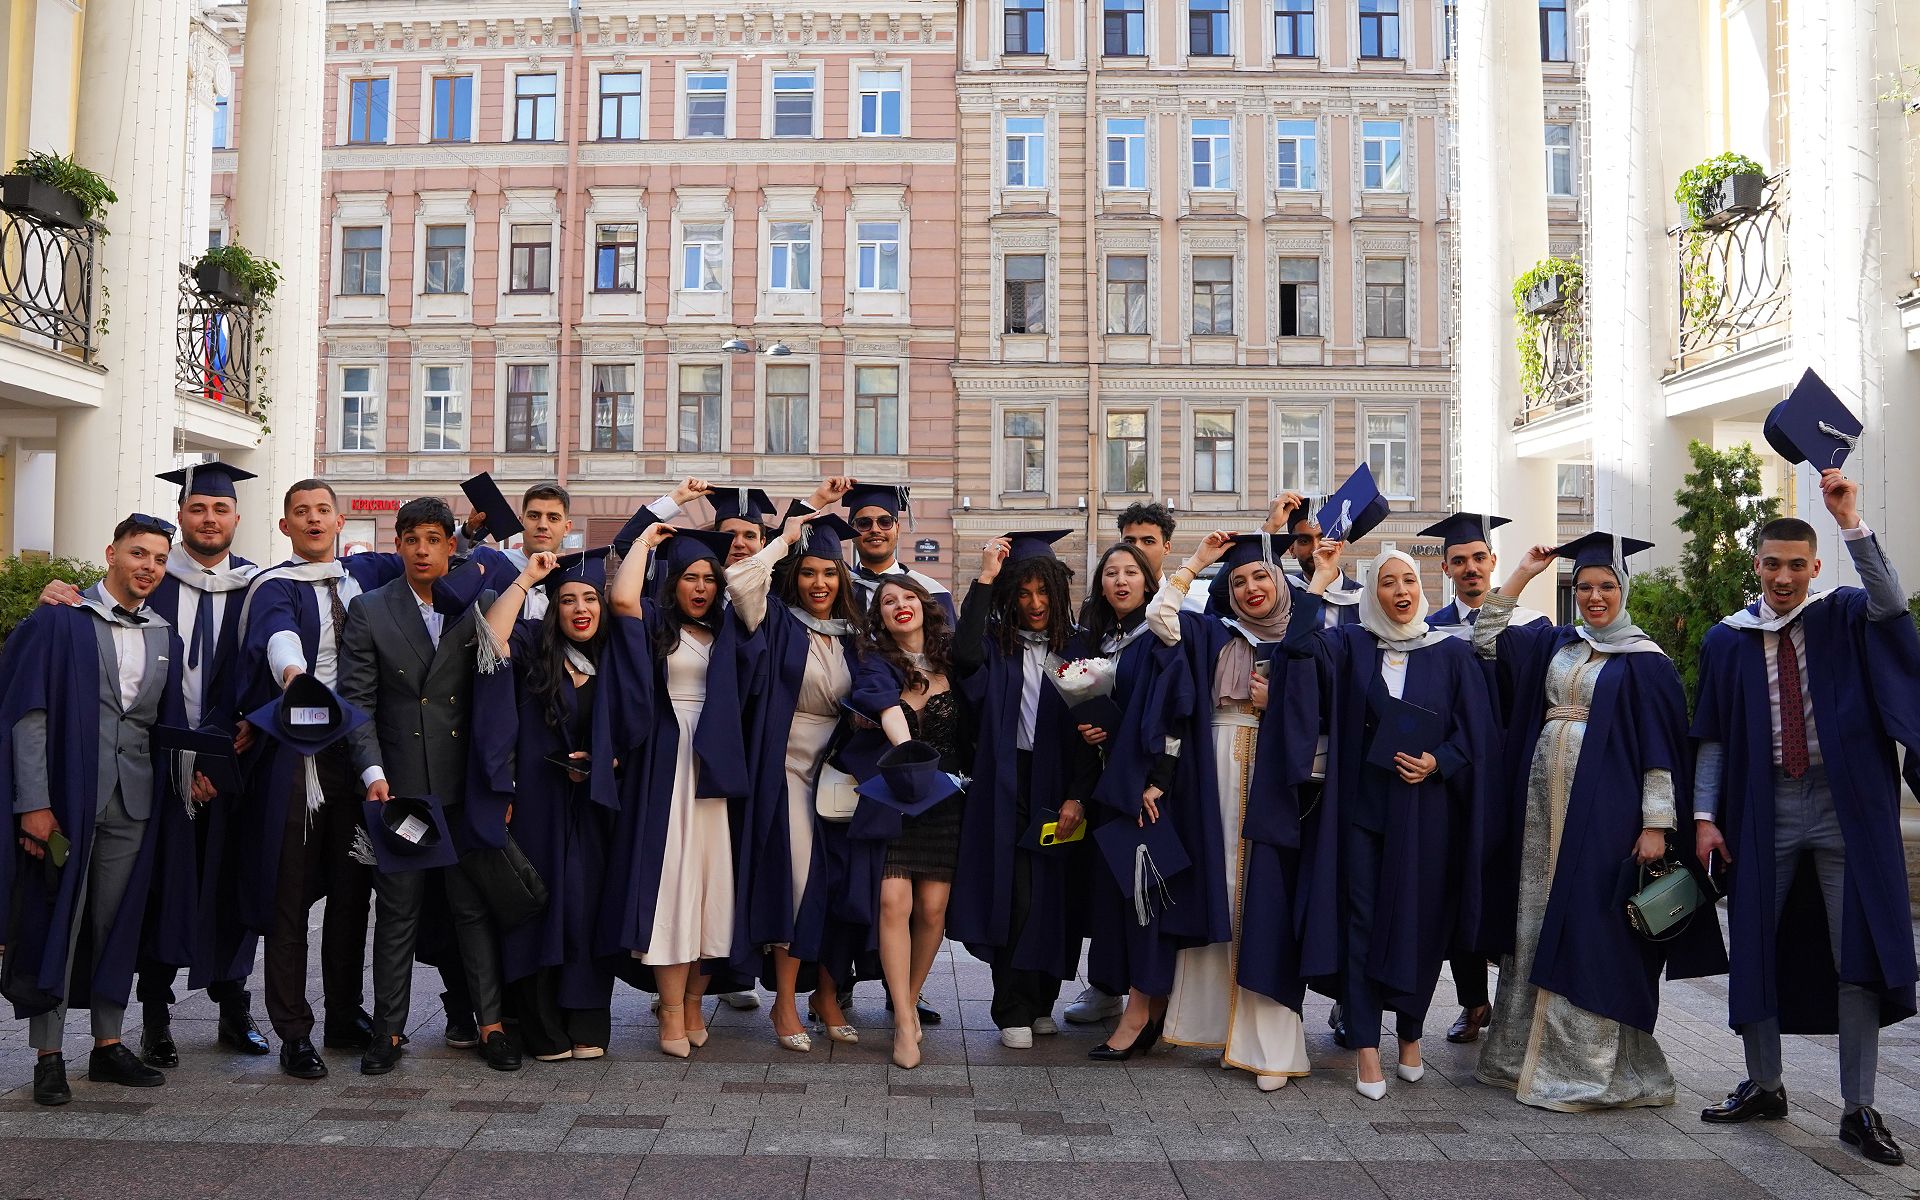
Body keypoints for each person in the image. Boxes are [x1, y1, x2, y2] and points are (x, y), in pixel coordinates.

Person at [1693, 469, 1920, 1166]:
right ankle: (1765, 1085)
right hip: (1763, 807)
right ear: (1754, 566)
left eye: (1797, 565)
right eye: (1772, 564)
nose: (1783, 577)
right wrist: (1704, 815)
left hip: (1844, 805)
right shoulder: (1728, 639)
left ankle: (1859, 1108)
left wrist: (1849, 518)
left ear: (1814, 567)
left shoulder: (1843, 615)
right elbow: (1714, 736)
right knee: (1754, 943)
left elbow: (1891, 605)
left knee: (1857, 954)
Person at [1470, 534, 1727, 1110]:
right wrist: (1522, 574)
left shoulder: (1647, 661)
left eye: (1606, 586)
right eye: (1584, 587)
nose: (1594, 597)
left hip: (1607, 814)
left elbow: (1661, 747)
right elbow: (1485, 639)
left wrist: (1657, 823)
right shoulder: (1558, 644)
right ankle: (1522, 1057)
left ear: (1624, 589)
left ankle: (1593, 1067)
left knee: (1592, 928)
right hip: (1542, 815)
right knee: (1535, 919)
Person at [38, 463, 272, 1065]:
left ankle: (233, 1006)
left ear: (236, 519)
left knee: (227, 883)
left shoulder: (257, 586)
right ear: (182, 517)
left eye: (220, 510)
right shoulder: (151, 581)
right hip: (151, 763)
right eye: (198, 509)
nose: (210, 519)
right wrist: (55, 593)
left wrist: (242, 733)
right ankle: (154, 1017)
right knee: (155, 887)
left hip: (229, 759)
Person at [1282, 541, 1495, 1100]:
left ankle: (1410, 1035)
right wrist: (1320, 579)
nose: (1400, 591)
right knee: (1362, 925)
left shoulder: (1449, 655)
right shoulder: (1352, 645)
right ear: (1372, 592)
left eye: (1408, 581)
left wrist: (1437, 763)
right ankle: (1367, 1049)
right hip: (1362, 814)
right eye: (1386, 582)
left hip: (1427, 816)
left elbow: (1476, 737)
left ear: (1422, 589)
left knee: (1420, 928)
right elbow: (1297, 647)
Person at [0, 514, 183, 1104]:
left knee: (114, 922)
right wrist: (34, 804)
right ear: (111, 553)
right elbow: (29, 717)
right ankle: (48, 1055)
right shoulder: (61, 622)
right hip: (68, 807)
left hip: (134, 803)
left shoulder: (164, 635)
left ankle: (107, 1045)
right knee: (60, 918)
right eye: (138, 553)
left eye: (158, 557)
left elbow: (163, 726)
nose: (148, 566)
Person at [340, 497, 520, 1075]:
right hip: (402, 789)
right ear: (398, 545)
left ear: (451, 546)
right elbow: (357, 702)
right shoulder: (371, 609)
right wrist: (372, 772)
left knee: (471, 910)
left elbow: (498, 702)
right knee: (398, 913)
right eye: (411, 539)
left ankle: (491, 1024)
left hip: (465, 784)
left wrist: (501, 784)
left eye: (433, 539)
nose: (422, 550)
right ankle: (388, 1033)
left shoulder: (480, 603)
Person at [234, 479, 401, 1078]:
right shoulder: (275, 585)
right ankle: (294, 1031)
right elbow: (277, 632)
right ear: (284, 527)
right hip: (297, 751)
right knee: (290, 896)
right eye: (299, 512)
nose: (311, 519)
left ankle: (343, 1013)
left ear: (340, 520)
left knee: (353, 893)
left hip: (356, 752)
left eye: (321, 510)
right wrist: (294, 676)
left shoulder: (367, 577)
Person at [471, 543, 649, 1062]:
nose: (580, 609)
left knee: (589, 909)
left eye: (589, 597)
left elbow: (637, 720)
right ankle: (542, 1027)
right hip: (539, 803)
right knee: (539, 908)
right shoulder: (531, 645)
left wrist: (610, 758)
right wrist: (527, 578)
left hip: (594, 804)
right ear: (553, 609)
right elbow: (490, 640)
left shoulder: (614, 655)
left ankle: (588, 1021)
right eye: (567, 599)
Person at [1152, 531, 1316, 1091]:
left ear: (1281, 584)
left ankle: (1270, 1045)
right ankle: (1224, 1034)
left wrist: (1283, 699)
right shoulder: (1211, 633)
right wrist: (1196, 561)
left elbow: (1328, 710)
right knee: (1220, 896)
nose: (1250, 588)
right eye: (1239, 579)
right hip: (1213, 774)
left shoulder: (1307, 635)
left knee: (1265, 903)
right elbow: (1160, 618)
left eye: (1261, 577)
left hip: (1273, 779)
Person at [600, 525, 756, 1057]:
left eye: (709, 579)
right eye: (690, 577)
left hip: (717, 767)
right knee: (673, 883)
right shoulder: (655, 628)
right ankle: (669, 1007)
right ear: (673, 583)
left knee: (712, 886)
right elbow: (621, 597)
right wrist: (645, 539)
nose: (701, 587)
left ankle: (694, 1000)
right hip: (668, 759)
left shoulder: (728, 631)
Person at [727, 509, 867, 1050]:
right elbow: (738, 580)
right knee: (799, 878)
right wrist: (784, 538)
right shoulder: (778, 621)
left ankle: (826, 995)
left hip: (840, 770)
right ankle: (784, 1001)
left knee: (838, 882)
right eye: (809, 572)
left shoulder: (855, 633)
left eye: (829, 573)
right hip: (785, 766)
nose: (819, 583)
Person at [948, 531, 1089, 1049]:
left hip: (1058, 784)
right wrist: (985, 577)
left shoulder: (1076, 650)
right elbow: (962, 655)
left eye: (1043, 592)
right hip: (1005, 784)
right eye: (1023, 593)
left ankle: (1043, 1001)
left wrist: (1078, 793)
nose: (1034, 604)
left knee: (1054, 895)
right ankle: (1012, 1006)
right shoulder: (994, 646)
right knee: (1016, 895)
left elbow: (1088, 734)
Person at [1418, 512, 1552, 1046]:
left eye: (1479, 558)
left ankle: (1521, 1007)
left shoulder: (1533, 625)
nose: (1470, 568)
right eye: (1459, 561)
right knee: (1459, 884)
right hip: (1454, 776)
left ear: (1493, 561)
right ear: (1447, 568)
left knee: (1513, 884)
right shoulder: (1429, 631)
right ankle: (1474, 1001)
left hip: (1515, 771)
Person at [849, 576, 971, 1070]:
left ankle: (911, 995)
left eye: (906, 598)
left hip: (946, 800)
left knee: (933, 909)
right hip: (897, 794)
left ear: (925, 606)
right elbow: (882, 706)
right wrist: (907, 753)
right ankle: (903, 1018)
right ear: (879, 617)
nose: (899, 606)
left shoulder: (953, 662)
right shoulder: (875, 663)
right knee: (892, 900)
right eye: (887, 602)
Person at [1078, 543, 1186, 1061]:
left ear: (1148, 581)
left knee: (1146, 903)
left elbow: (1173, 713)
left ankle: (1140, 1013)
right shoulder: (1103, 640)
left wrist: (1158, 778)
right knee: (1122, 903)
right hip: (1111, 787)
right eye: (1110, 574)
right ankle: (1149, 1003)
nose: (1120, 581)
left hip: (1146, 790)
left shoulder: (1160, 638)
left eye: (1131, 573)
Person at [841, 483, 954, 621]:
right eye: (864, 523)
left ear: (898, 529)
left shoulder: (931, 593)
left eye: (885, 521)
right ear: (852, 533)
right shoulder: (840, 590)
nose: (875, 529)